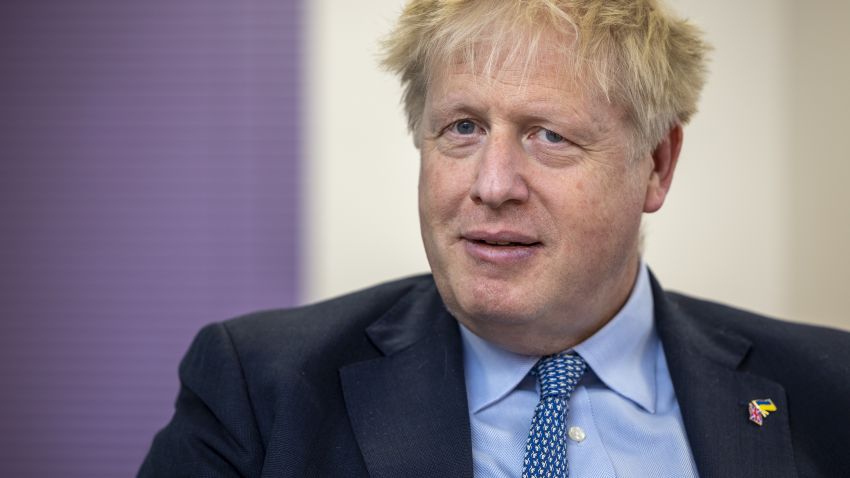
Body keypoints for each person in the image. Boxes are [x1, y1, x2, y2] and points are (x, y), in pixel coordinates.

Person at [139, 1, 850, 477]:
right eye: (463, 128)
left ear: (656, 166)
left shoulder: (829, 390)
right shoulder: (262, 390)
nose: (493, 183)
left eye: (549, 136)